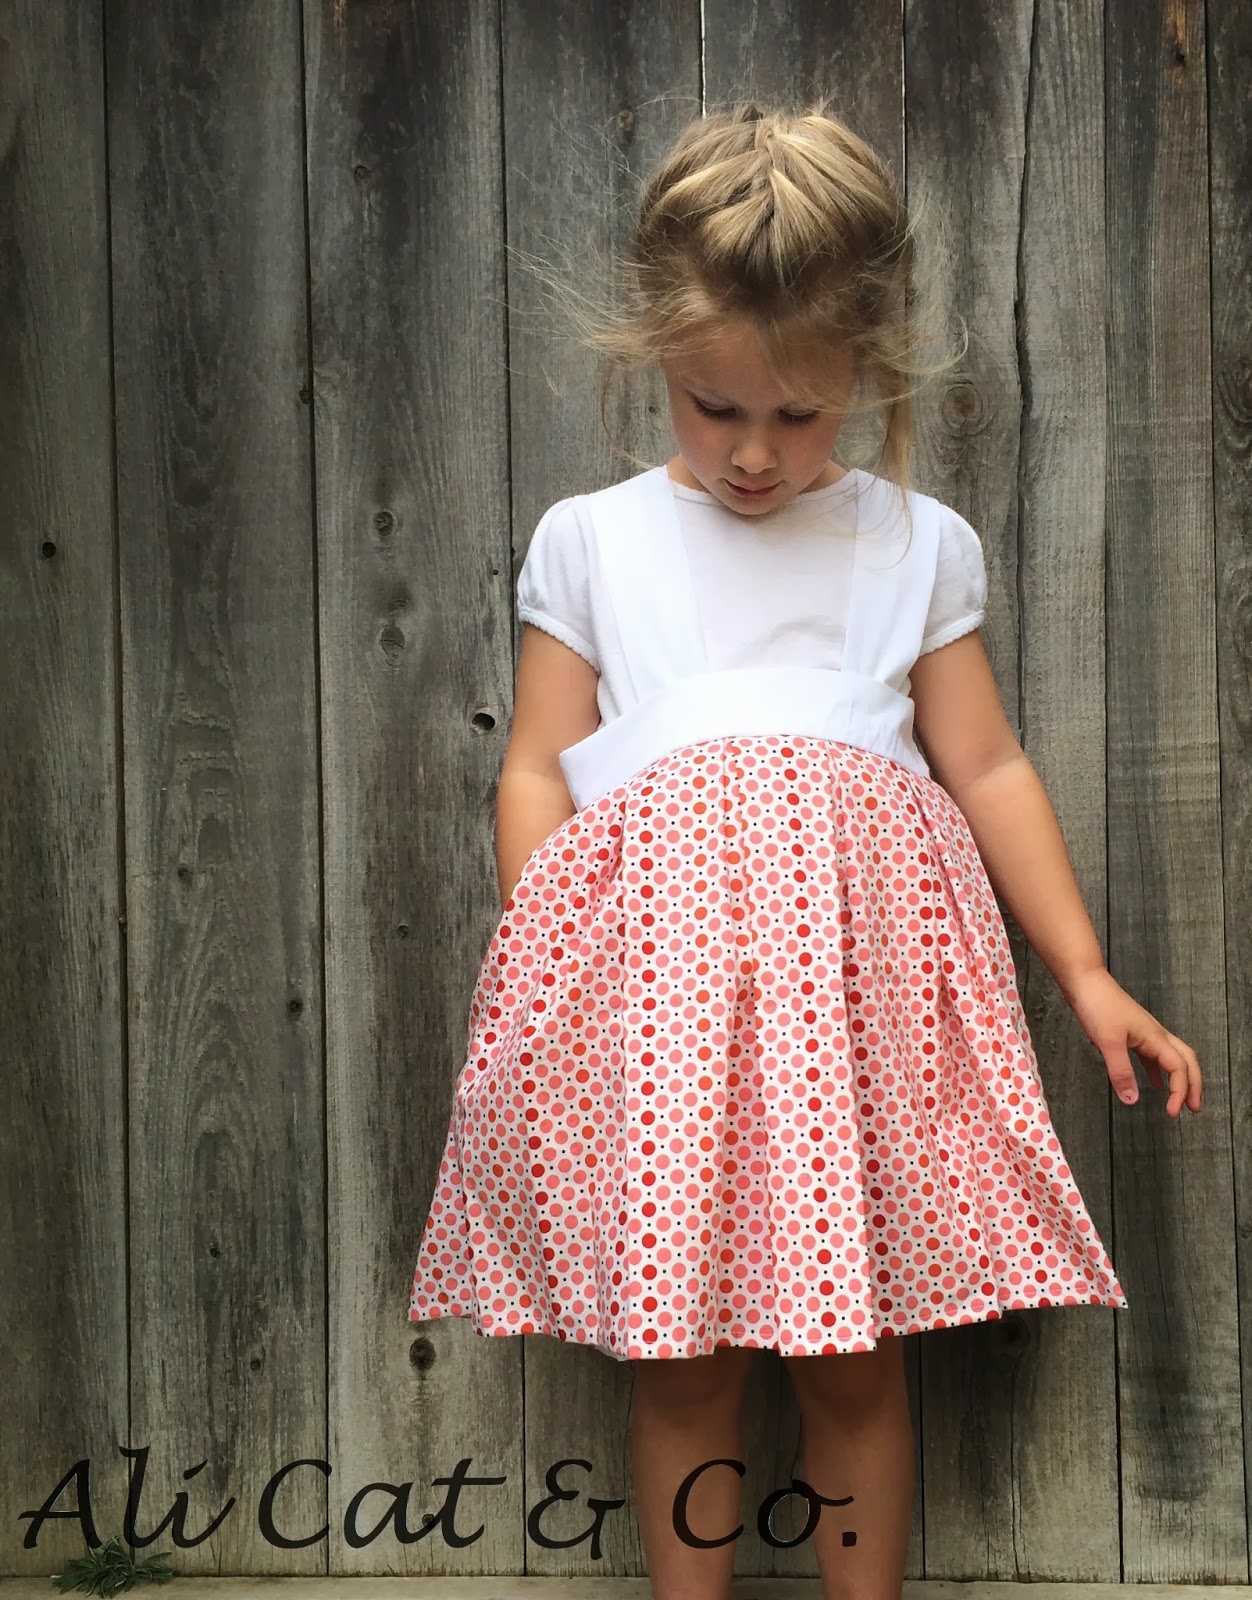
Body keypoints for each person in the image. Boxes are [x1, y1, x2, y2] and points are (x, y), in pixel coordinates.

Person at [408, 100, 1204, 1600]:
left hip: (857, 1019)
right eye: (714, 408)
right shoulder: (594, 540)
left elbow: (985, 764)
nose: (756, 453)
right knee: (682, 1361)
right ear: (655, 356)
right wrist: (551, 968)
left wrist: (1087, 973)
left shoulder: (916, 543)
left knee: (853, 1358)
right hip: (655, 1014)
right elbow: (534, 767)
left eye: (802, 413)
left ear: (867, 373)